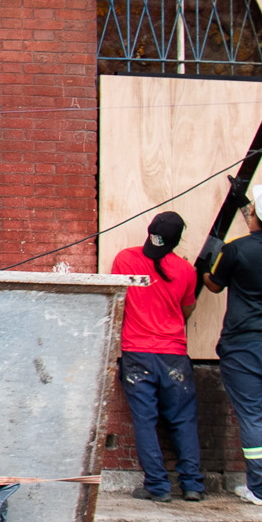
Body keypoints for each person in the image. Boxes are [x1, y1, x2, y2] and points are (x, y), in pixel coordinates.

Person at [201, 181, 262, 506]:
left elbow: (214, 285)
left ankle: (260, 490)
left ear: (255, 214)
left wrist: (205, 263)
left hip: (244, 346)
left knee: (252, 417)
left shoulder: (235, 250)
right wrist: (246, 204)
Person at [108, 211, 206, 502]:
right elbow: (187, 310)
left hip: (136, 354)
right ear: (176, 242)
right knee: (183, 420)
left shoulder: (125, 259)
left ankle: (158, 487)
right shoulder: (187, 271)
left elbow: (116, 299)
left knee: (145, 421)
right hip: (174, 355)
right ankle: (192, 486)